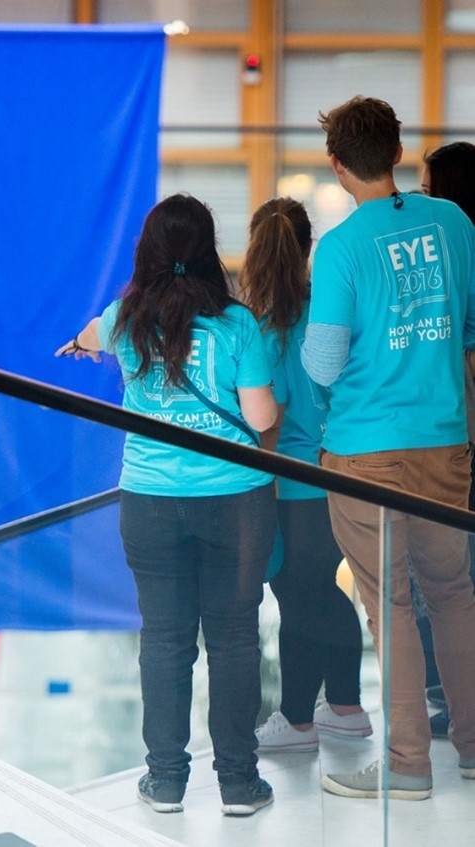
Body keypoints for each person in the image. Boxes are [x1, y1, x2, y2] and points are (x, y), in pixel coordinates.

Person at [56, 193, 278, 816]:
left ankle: (166, 781)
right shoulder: (238, 324)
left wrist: (80, 342)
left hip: (150, 502)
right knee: (233, 637)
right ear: (208, 251)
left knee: (164, 640)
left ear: (146, 252)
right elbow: (260, 418)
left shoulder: (123, 320)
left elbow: (89, 334)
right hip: (234, 501)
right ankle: (237, 783)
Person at [301, 95, 475, 800]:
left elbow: (319, 363)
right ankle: (470, 747)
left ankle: (405, 763)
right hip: (444, 440)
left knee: (390, 604)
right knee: (453, 594)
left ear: (338, 166)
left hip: (365, 449)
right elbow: (464, 328)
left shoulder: (340, 247)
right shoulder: (455, 223)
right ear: (398, 154)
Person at [239, 197, 372, 754]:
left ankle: (303, 718)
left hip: (295, 489)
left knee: (299, 595)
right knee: (318, 592)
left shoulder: (269, 332)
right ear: (308, 247)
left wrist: (257, 490)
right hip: (342, 474)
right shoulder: (329, 316)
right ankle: (340, 706)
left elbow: (268, 427)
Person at [415, 140, 475, 738]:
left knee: (445, 571)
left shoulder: (454, 252)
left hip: (454, 436)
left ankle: (455, 701)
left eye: (430, 190)